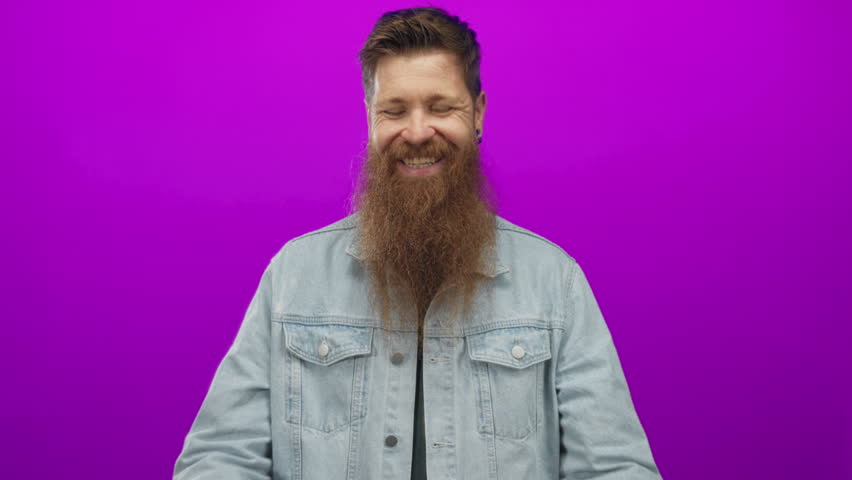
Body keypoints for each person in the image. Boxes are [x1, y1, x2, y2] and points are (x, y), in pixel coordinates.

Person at [174, 7, 662, 479]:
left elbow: (615, 469)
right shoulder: (292, 276)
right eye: (394, 110)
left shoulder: (556, 282)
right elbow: (217, 459)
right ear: (370, 118)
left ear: (478, 114)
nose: (416, 131)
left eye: (441, 107)